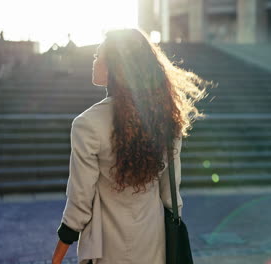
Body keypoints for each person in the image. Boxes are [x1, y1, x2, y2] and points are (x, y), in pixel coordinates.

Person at [51, 28, 210, 264]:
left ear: (114, 66)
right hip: (154, 241)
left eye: (98, 56)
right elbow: (170, 194)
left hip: (109, 246)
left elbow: (80, 201)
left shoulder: (87, 124)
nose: (93, 61)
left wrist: (58, 255)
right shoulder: (164, 117)